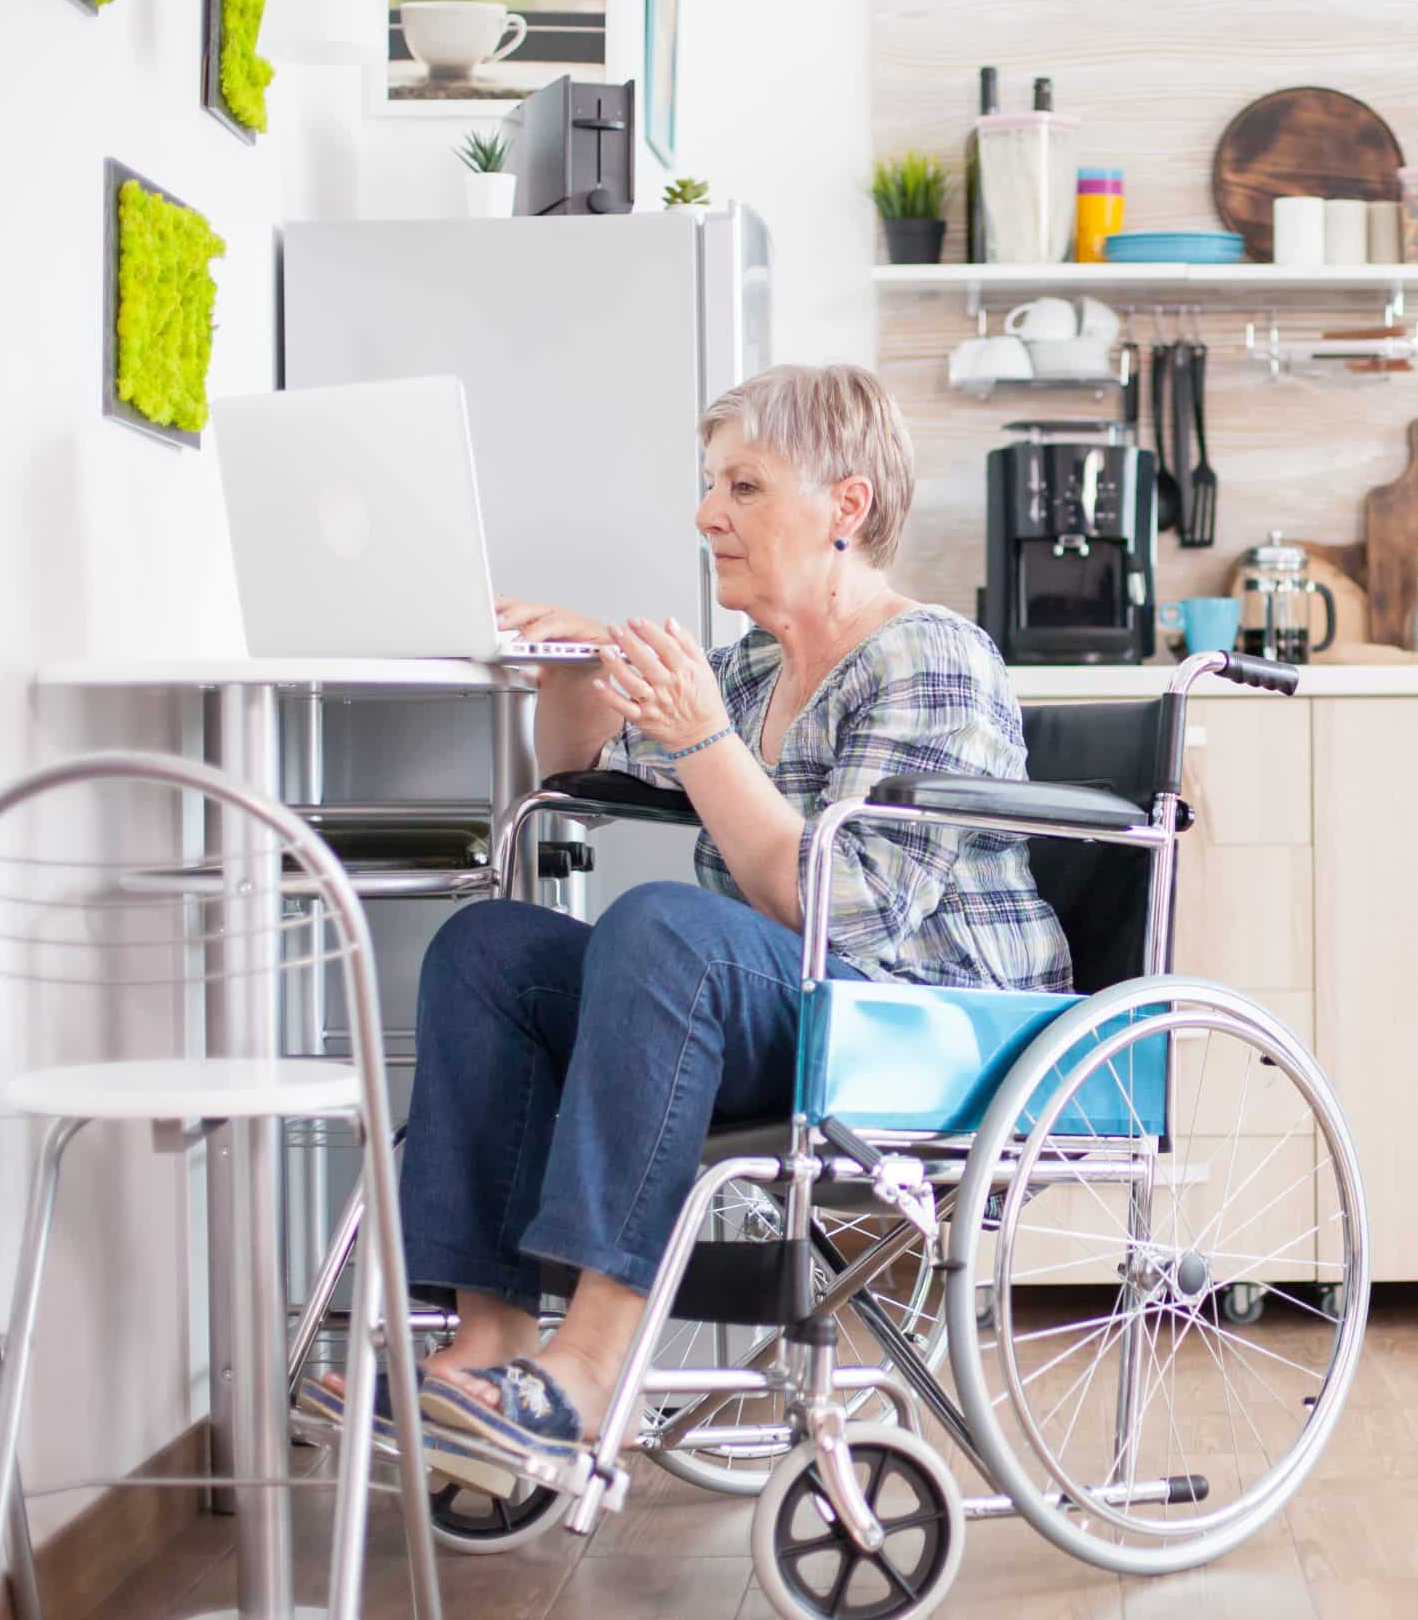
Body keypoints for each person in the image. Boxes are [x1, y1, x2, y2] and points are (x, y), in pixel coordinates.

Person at [310, 363, 1070, 1464]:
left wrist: (703, 739)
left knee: (664, 927)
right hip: (779, 1008)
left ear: (844, 508)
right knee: (490, 948)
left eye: (745, 487)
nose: (707, 513)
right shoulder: (758, 668)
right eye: (712, 484)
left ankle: (585, 1375)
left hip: (927, 1024)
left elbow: (842, 911)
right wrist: (581, 666)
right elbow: (574, 764)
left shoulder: (931, 657)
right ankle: (485, 1355)